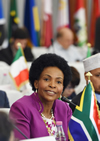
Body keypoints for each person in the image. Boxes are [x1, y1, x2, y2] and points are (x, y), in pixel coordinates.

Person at [9, 53, 72, 140]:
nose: (52, 85)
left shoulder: (64, 108)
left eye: (58, 82)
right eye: (46, 79)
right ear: (36, 83)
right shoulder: (21, 107)